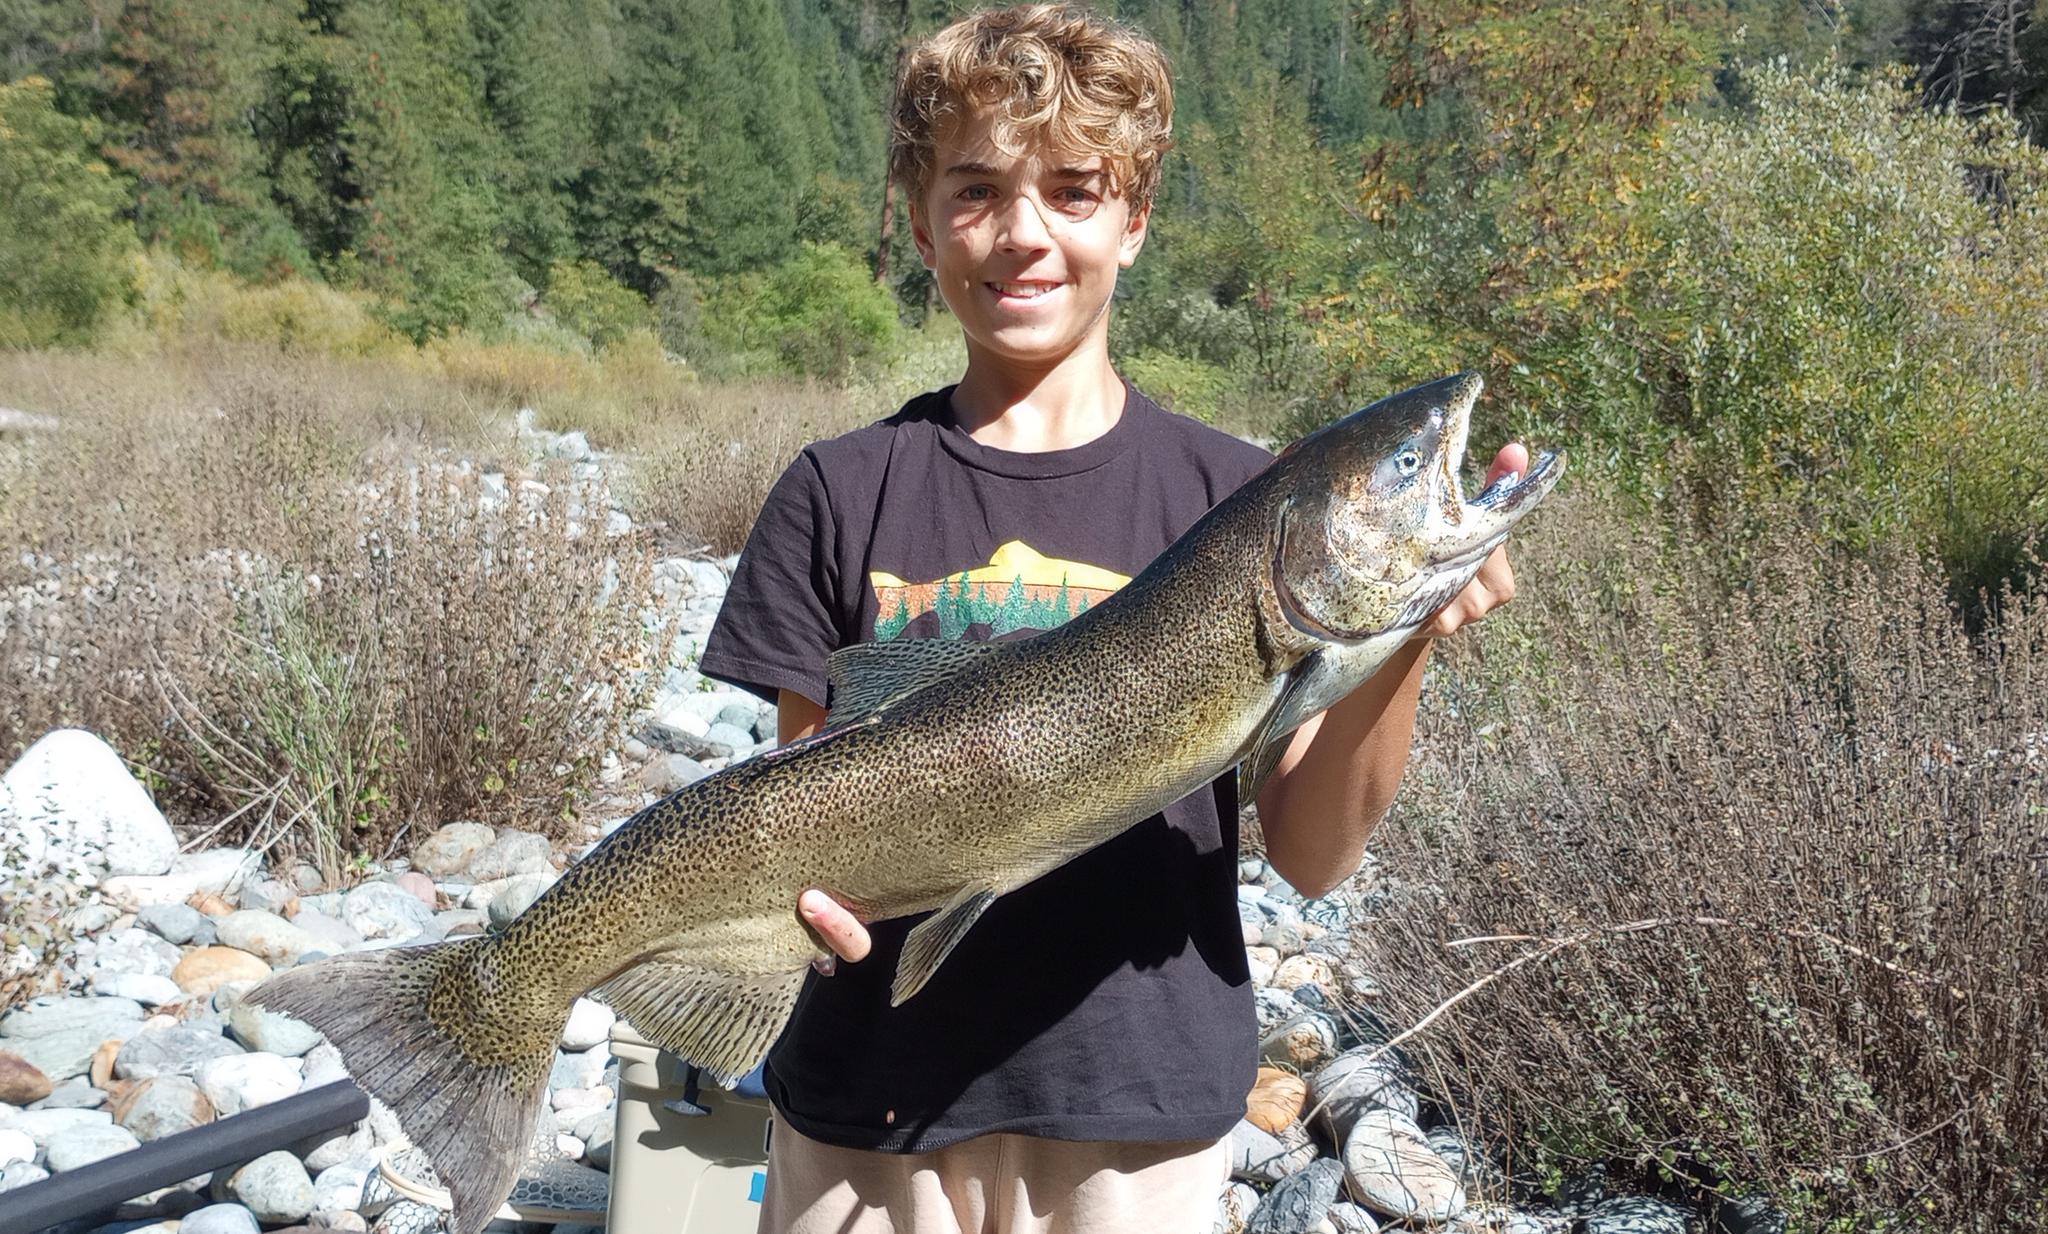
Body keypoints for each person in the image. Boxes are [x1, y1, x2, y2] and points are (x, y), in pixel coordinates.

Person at [696, 6, 1524, 1231]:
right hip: (866, 1107)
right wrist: (787, 913)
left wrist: (1403, 635)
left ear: (1133, 222)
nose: (1022, 233)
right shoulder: (840, 485)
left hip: (1134, 1122)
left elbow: (1310, 854)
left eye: (1073, 192)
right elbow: (803, 787)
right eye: (975, 191)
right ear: (922, 223)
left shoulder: (1232, 497)